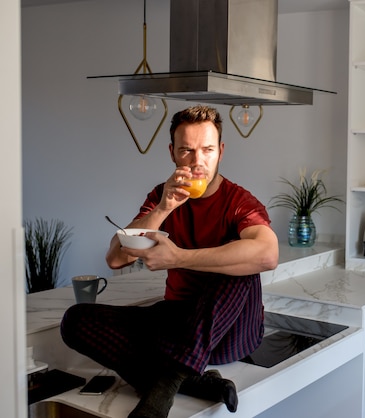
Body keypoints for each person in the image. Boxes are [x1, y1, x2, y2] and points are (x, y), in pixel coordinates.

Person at [60, 105, 279, 418]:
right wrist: (163, 208)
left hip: (230, 332)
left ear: (221, 151)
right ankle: (192, 382)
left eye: (207, 150)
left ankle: (166, 384)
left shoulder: (238, 201)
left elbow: (268, 254)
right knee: (76, 321)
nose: (197, 161)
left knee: (241, 262)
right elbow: (116, 257)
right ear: (172, 153)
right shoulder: (162, 195)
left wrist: (178, 257)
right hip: (179, 321)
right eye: (186, 150)